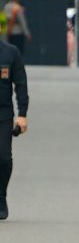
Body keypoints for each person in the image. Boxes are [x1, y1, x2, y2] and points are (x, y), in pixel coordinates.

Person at [0, 36, 29, 220]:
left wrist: (22, 114)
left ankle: (1, 196)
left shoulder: (10, 53)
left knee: (3, 158)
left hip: (3, 113)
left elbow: (21, 84)